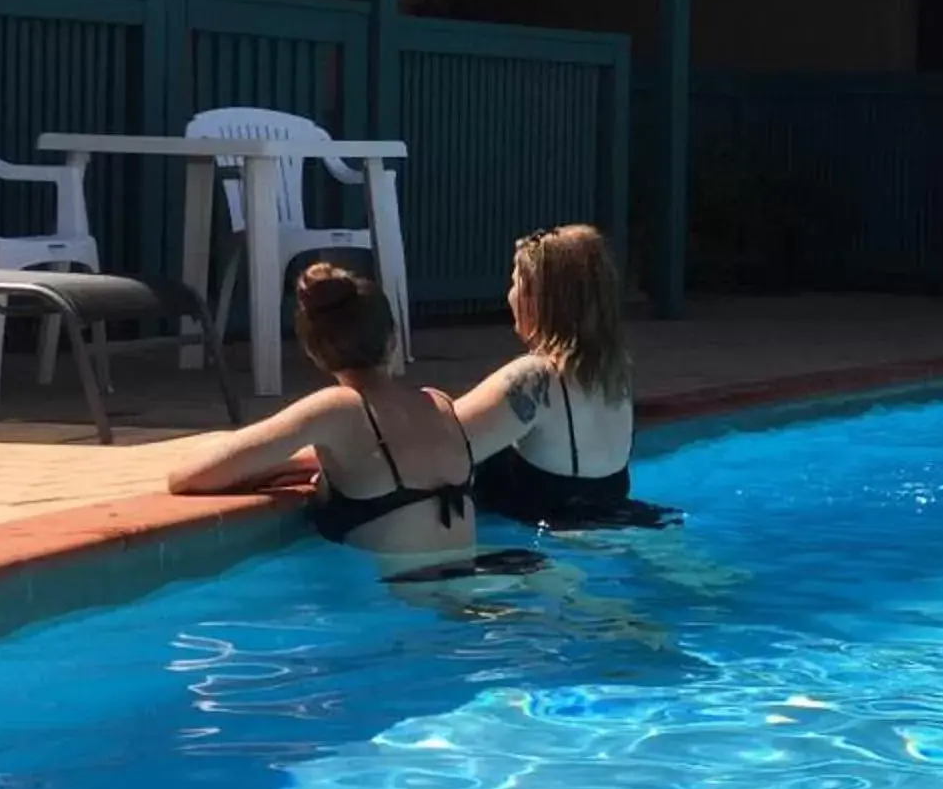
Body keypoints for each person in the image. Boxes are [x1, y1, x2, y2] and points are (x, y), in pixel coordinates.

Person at [169, 262, 501, 574]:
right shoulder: (438, 403)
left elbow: (188, 476)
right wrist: (306, 464)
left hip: (397, 619)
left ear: (313, 352)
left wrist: (277, 466)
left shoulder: (338, 409)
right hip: (468, 597)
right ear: (393, 338)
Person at [457, 224, 672, 529]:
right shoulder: (615, 374)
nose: (510, 296)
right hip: (620, 527)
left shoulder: (534, 379)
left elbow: (439, 446)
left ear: (541, 299)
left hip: (535, 556)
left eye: (515, 283)